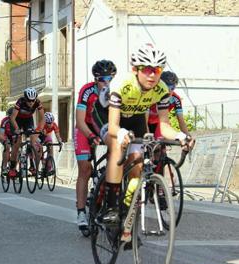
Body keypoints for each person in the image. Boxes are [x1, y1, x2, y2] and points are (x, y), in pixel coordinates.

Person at [104, 43, 195, 225]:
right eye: (146, 69)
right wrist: (121, 132)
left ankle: (128, 213)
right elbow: (113, 126)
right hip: (110, 119)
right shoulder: (122, 84)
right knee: (117, 146)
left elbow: (164, 124)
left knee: (137, 161)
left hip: (137, 119)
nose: (152, 75)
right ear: (135, 70)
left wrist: (180, 136)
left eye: (157, 69)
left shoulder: (161, 89)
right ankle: (111, 207)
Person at [75, 59, 117, 230]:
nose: (105, 82)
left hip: (102, 126)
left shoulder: (114, 93)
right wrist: (91, 136)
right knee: (85, 168)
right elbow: (79, 119)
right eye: (102, 79)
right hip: (85, 127)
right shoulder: (87, 91)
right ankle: (80, 212)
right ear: (95, 79)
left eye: (109, 78)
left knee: (116, 158)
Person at [8, 87, 45, 178]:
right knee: (17, 142)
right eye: (29, 101)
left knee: (32, 140)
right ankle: (12, 168)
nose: (31, 103)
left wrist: (39, 129)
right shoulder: (20, 101)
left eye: (33, 101)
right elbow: (12, 118)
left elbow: (43, 118)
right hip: (17, 120)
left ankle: (32, 165)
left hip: (28, 120)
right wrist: (17, 129)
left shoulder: (37, 102)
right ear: (25, 99)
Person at [147, 71, 190, 137]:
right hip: (144, 121)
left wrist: (187, 137)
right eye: (166, 87)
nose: (169, 91)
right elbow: (143, 120)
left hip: (159, 123)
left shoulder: (175, 99)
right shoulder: (150, 95)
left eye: (172, 88)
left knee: (161, 143)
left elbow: (181, 120)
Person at [0, 107, 15, 175]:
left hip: (13, 136)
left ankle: (13, 167)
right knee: (7, 147)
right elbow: (1, 134)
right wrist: (4, 141)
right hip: (5, 135)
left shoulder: (18, 120)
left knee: (18, 150)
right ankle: (4, 167)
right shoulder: (5, 121)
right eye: (10, 116)